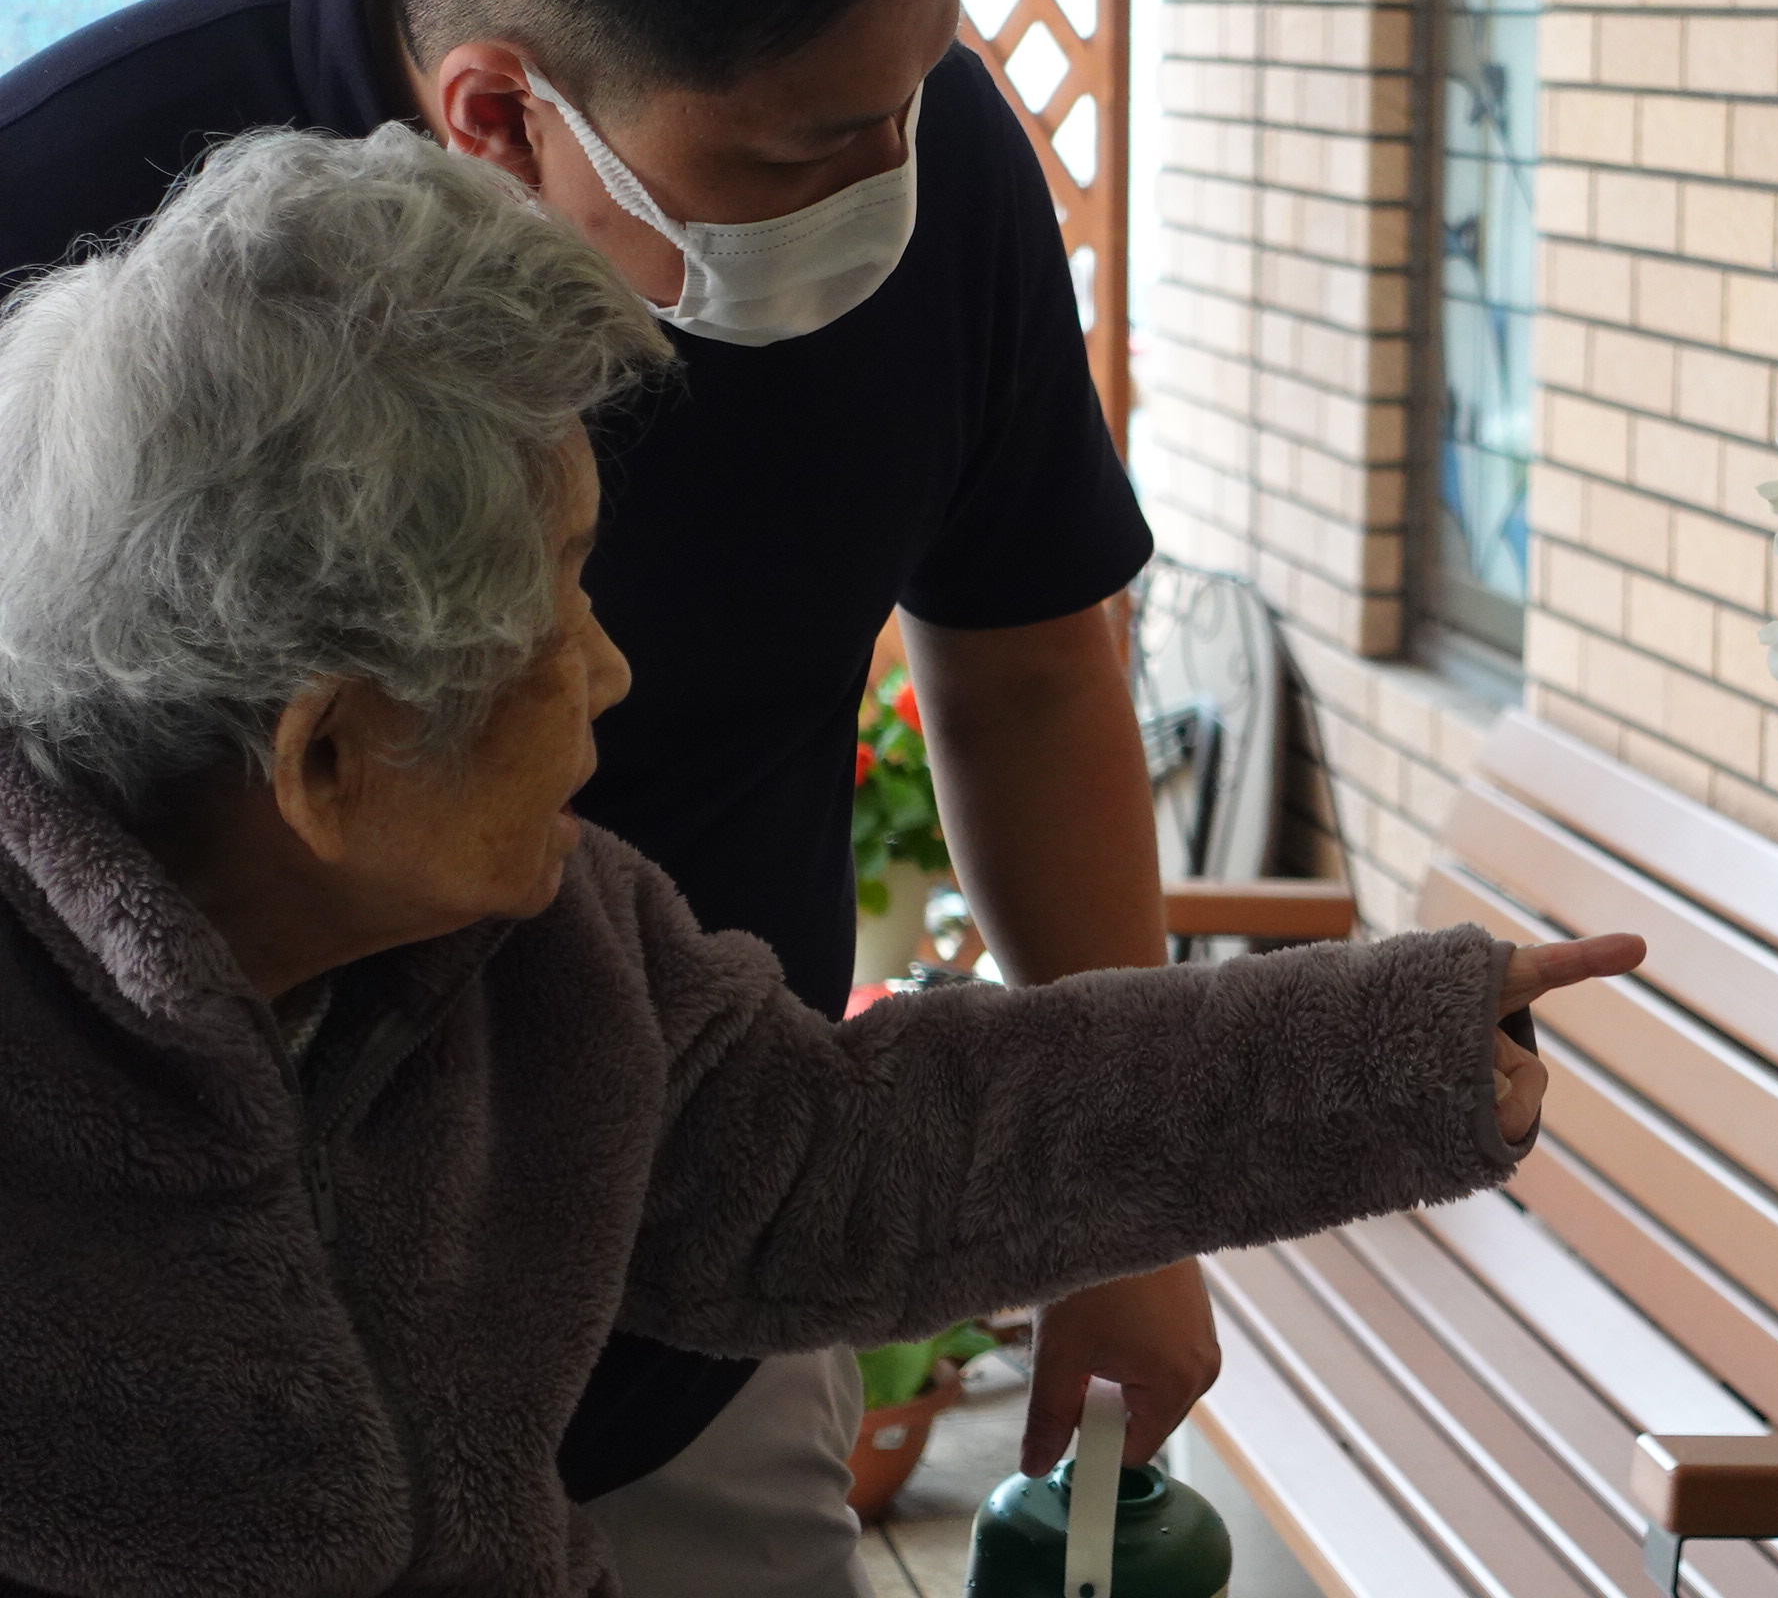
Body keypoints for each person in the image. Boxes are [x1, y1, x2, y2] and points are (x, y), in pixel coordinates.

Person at [0, 125, 1639, 1598]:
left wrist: (1392, 1049)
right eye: (555, 608)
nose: (610, 668)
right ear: (325, 760)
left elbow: (853, 1154)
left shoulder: (549, 948)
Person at [0, 0, 1200, 1587]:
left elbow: (1030, 671)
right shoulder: (71, 198)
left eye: (920, 95)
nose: (894, 177)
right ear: (496, 114)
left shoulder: (909, 145)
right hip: (146, 1413)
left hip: (707, 1309)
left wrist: (1126, 1209)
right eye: (801, 157)